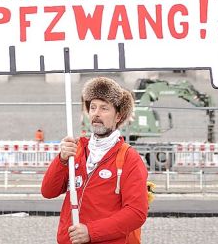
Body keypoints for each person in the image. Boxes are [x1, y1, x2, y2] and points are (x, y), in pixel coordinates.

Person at [41, 77, 148, 244]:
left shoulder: (129, 158)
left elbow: (136, 213)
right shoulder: (75, 149)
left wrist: (92, 232)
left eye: (104, 108)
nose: (96, 113)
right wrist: (61, 160)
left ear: (118, 115)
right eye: (93, 107)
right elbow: (48, 191)